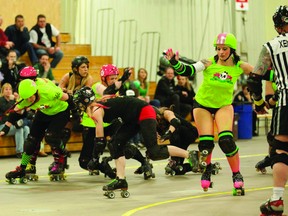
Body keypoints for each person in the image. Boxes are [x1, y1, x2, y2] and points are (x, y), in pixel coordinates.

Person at [165, 32, 253, 194]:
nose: (220, 52)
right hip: (202, 105)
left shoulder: (239, 66)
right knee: (206, 143)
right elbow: (188, 70)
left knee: (226, 141)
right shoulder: (208, 62)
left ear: (232, 50)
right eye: (218, 48)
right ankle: (206, 171)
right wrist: (174, 62)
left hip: (223, 106)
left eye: (224, 49)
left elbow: (260, 74)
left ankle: (236, 174)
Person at [73, 87, 198, 195]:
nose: (78, 107)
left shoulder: (96, 110)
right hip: (132, 117)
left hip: (143, 111)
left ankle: (189, 155)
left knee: (154, 151)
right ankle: (121, 180)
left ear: (84, 102)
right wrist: (95, 157)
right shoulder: (98, 104)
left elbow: (99, 140)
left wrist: (94, 158)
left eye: (79, 103)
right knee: (115, 143)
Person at [246, 5, 288, 215]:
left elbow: (253, 80)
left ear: (278, 26)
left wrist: (260, 102)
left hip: (286, 101)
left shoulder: (271, 46)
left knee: (280, 150)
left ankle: (277, 200)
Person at [81, 65, 154, 180]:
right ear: (104, 78)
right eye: (112, 78)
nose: (114, 81)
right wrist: (122, 80)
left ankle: (144, 162)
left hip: (111, 123)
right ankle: (106, 168)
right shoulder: (97, 86)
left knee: (119, 145)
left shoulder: (118, 90)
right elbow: (105, 92)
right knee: (84, 161)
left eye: (116, 78)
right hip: (93, 125)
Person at [1, 78, 74, 182]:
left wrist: (75, 113)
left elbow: (68, 98)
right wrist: (6, 127)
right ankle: (23, 168)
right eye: (27, 98)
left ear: (35, 92)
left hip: (60, 111)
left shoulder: (48, 91)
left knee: (51, 137)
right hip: (43, 112)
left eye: (31, 97)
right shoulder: (25, 98)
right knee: (31, 140)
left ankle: (63, 151)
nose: (29, 100)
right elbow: (15, 112)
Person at [154, 106, 203, 175]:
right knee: (177, 169)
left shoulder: (166, 113)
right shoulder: (154, 124)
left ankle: (174, 159)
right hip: (180, 139)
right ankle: (202, 165)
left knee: (174, 132)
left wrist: (169, 132)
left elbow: (176, 122)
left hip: (189, 132)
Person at [255, 69, 278, 174]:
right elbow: (269, 104)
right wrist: (277, 96)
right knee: (273, 138)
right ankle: (271, 159)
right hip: (280, 110)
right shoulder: (272, 75)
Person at [0, 83, 29, 158]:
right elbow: (7, 110)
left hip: (12, 125)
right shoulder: (1, 100)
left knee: (26, 128)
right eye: (6, 89)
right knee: (18, 129)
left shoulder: (13, 101)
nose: (8, 91)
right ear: (2, 91)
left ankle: (27, 151)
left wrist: (17, 101)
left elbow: (19, 112)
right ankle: (20, 151)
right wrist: (12, 101)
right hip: (2, 126)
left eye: (10, 89)